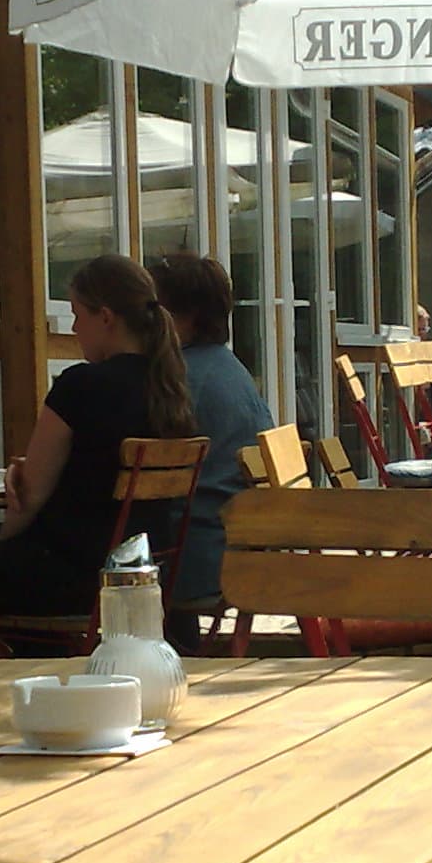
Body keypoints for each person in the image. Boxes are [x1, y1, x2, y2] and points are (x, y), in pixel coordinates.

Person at [0, 254, 198, 653]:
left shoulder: (80, 385)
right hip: (141, 568)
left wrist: (3, 541)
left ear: (105, 317)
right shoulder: (172, 393)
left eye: (77, 315)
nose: (73, 327)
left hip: (74, 572)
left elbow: (28, 497)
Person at [150, 251, 272, 627]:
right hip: (238, 550)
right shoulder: (230, 370)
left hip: (192, 563)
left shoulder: (178, 380)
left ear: (175, 315)